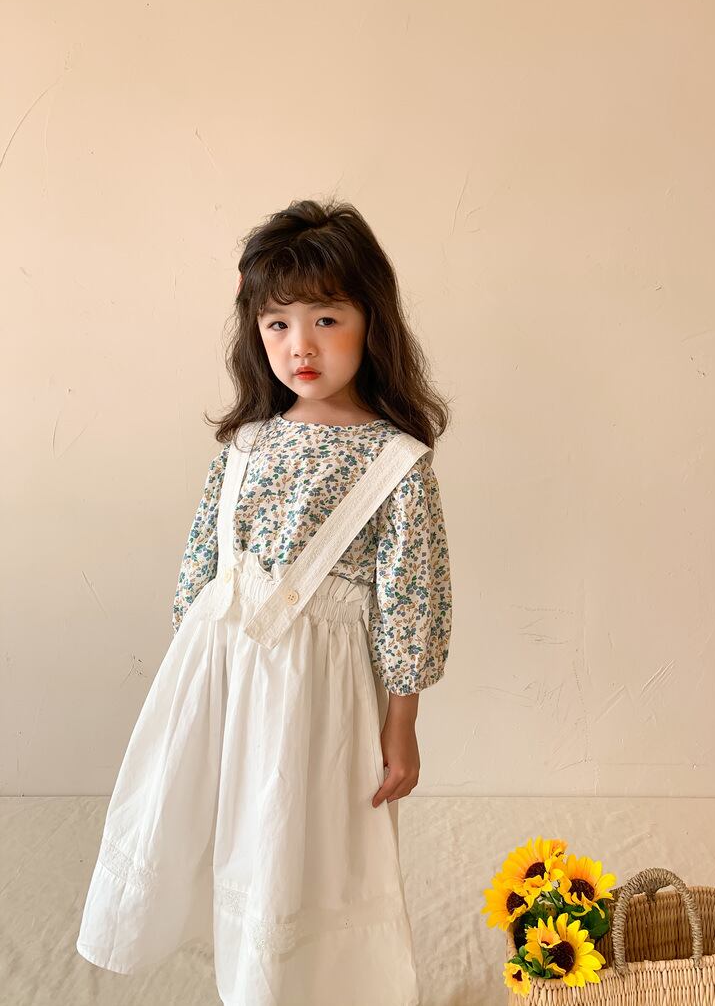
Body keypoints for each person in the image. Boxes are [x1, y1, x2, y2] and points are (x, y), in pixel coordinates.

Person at [75, 198, 454, 1006]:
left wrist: (401, 723)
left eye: (326, 318)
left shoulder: (396, 463)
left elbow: (411, 602)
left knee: (304, 838)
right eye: (277, 323)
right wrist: (191, 682)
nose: (300, 345)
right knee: (230, 831)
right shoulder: (245, 445)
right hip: (223, 676)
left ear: (371, 321)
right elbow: (200, 568)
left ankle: (307, 983)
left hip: (320, 694)